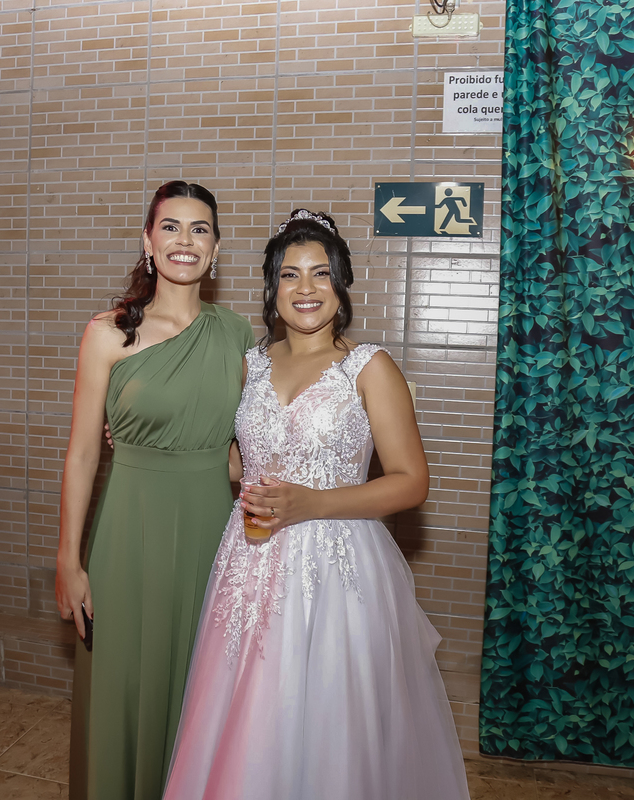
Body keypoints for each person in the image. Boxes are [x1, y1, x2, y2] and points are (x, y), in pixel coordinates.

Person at [162, 210, 471, 799]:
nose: (305, 288)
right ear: (272, 288)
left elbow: (412, 482)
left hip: (338, 567)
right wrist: (153, 441)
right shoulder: (251, 365)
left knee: (329, 718)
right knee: (249, 712)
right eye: (290, 275)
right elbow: (236, 462)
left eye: (320, 273)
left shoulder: (369, 367)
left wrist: (312, 504)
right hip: (249, 563)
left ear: (340, 284)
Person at [55, 180, 255, 800]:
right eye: (170, 227)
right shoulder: (108, 333)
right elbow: (83, 452)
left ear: (216, 247)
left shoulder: (239, 335)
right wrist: (68, 559)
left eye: (200, 229)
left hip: (211, 535)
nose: (184, 241)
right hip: (129, 533)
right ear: (147, 241)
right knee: (126, 684)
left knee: (201, 687)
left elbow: (242, 455)